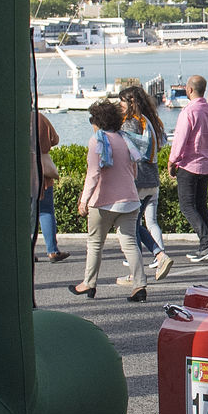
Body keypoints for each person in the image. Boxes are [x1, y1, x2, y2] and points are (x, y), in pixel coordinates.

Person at [71, 98, 147, 301]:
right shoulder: (125, 139)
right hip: (130, 199)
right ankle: (139, 285)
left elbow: (93, 174)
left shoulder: (97, 141)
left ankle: (89, 284)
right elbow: (134, 171)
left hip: (103, 200)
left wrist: (84, 201)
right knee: (129, 243)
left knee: (95, 243)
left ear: (98, 122)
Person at [121, 82, 174, 282]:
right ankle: (158, 256)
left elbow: (127, 152)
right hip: (152, 179)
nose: (120, 106)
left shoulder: (130, 123)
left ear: (131, 103)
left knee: (130, 227)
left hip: (138, 180)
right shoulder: (149, 121)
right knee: (136, 224)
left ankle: (139, 271)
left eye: (122, 102)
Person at [169, 74, 208, 262]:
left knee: (187, 206)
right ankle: (205, 245)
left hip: (189, 165)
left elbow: (180, 140)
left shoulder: (189, 112)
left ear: (189, 89)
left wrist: (172, 161)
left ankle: (206, 243)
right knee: (201, 205)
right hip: (206, 164)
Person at [33, 105, 67, 262]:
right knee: (46, 211)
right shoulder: (40, 118)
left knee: (24, 215)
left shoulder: (14, 118)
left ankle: (27, 251)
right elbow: (55, 139)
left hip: (21, 173)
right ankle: (52, 251)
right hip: (42, 172)